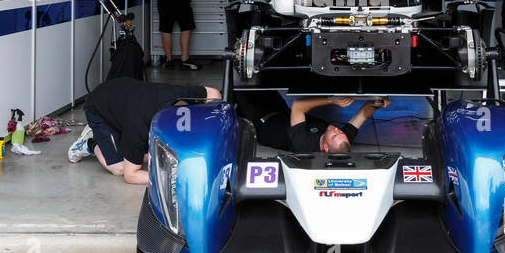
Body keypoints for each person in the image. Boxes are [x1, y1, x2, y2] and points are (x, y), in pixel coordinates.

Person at [69, 75, 221, 184]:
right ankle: (91, 142)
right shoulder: (138, 126)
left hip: (123, 91)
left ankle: (116, 138)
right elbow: (130, 176)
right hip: (99, 107)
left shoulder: (180, 95)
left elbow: (214, 94)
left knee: (149, 155)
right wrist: (176, 179)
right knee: (120, 167)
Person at [235, 92, 389, 153]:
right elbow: (363, 114)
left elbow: (298, 107)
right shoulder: (341, 141)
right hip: (281, 112)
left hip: (261, 118)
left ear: (326, 148)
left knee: (237, 86)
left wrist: (330, 100)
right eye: (340, 132)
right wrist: (378, 103)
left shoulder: (304, 145)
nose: (337, 130)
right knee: (258, 78)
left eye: (335, 135)